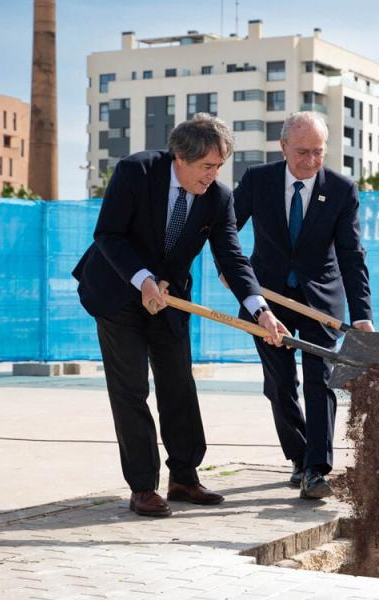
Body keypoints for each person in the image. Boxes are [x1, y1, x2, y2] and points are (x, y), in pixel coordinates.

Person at [72, 114, 285, 518]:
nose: (213, 175)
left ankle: (184, 477)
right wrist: (143, 280)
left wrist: (261, 310)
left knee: (179, 385)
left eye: (219, 167)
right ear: (180, 158)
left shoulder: (218, 198)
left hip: (170, 299)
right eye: (207, 166)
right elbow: (109, 234)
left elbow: (233, 258)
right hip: (118, 289)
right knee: (132, 388)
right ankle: (142, 486)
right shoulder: (136, 172)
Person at [229, 111, 374, 499]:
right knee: (279, 384)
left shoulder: (342, 190)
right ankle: (298, 456)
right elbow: (226, 230)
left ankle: (316, 469)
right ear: (283, 147)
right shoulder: (258, 181)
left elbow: (351, 254)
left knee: (320, 380)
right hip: (267, 300)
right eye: (301, 153)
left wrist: (362, 315)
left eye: (318, 153)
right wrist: (234, 273)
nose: (309, 162)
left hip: (321, 300)